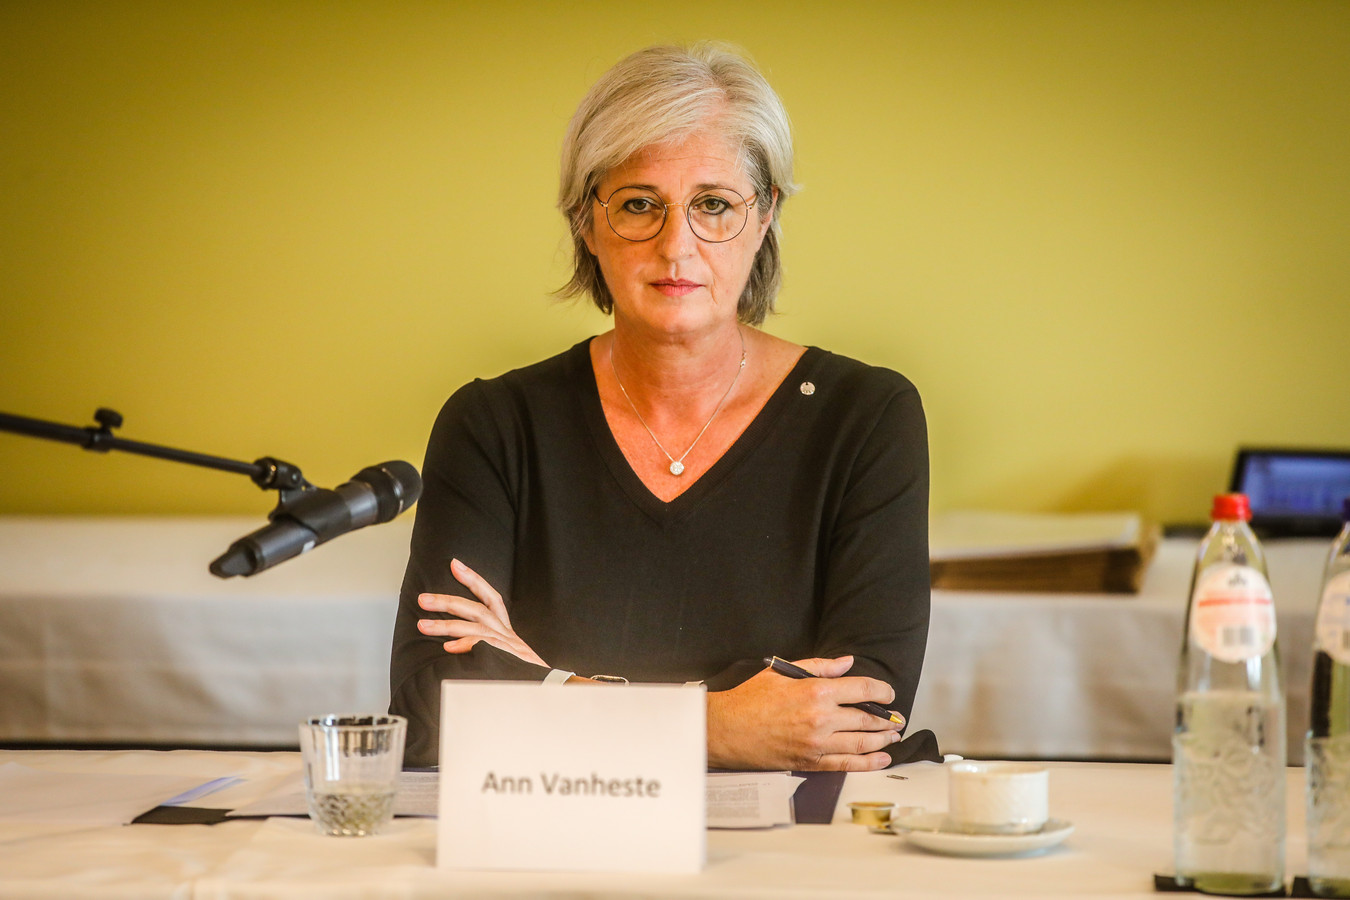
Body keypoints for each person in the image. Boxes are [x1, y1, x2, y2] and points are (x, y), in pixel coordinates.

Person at [390, 42, 930, 771]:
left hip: (792, 837)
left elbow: (861, 711)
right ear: (586, 222)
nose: (677, 245)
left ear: (765, 215)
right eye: (639, 204)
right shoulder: (494, 424)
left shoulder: (865, 418)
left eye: (715, 204)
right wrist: (716, 725)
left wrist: (551, 688)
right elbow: (434, 705)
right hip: (555, 823)